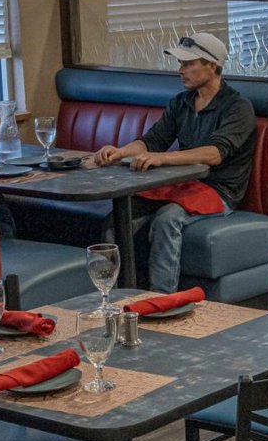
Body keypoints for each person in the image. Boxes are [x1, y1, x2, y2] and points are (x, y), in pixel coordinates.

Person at [94, 32, 255, 293]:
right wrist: (119, 152)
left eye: (188, 64)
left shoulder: (238, 107)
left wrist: (161, 158)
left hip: (219, 190)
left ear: (211, 65)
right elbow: (152, 141)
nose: (181, 70)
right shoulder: (181, 103)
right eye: (180, 63)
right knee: (119, 218)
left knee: (167, 219)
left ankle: (162, 299)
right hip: (182, 184)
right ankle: (118, 296)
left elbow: (214, 153)